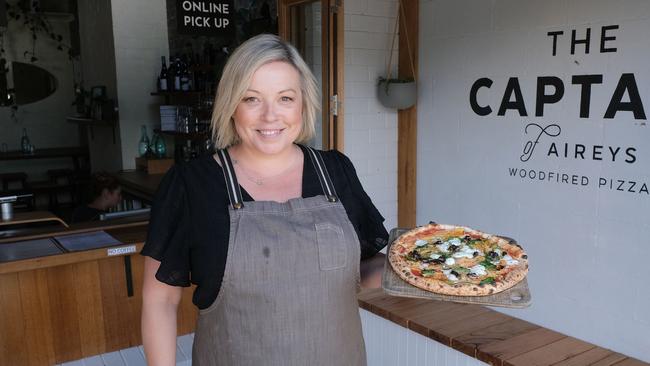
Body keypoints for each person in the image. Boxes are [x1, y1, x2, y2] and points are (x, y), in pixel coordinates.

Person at [141, 34, 388, 366]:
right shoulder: (191, 185)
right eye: (252, 99)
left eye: (285, 98)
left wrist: (417, 267)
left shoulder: (336, 170)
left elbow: (365, 266)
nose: (270, 116)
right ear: (231, 104)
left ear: (303, 103)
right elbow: (160, 299)